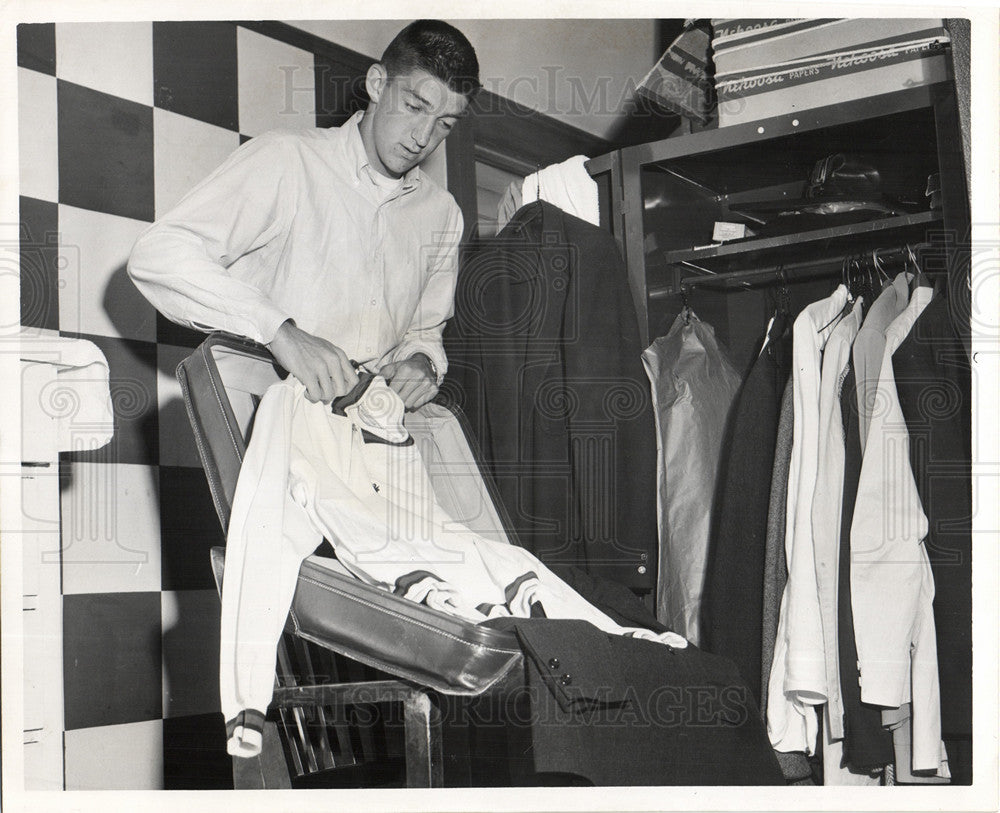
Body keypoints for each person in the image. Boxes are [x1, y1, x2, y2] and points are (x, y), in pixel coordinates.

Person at [128, 20, 479, 409]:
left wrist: (421, 362)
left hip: (370, 432)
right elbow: (158, 252)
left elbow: (424, 329)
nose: (422, 138)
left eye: (444, 125)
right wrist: (280, 331)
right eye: (414, 107)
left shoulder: (443, 214)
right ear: (378, 84)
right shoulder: (286, 159)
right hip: (261, 418)